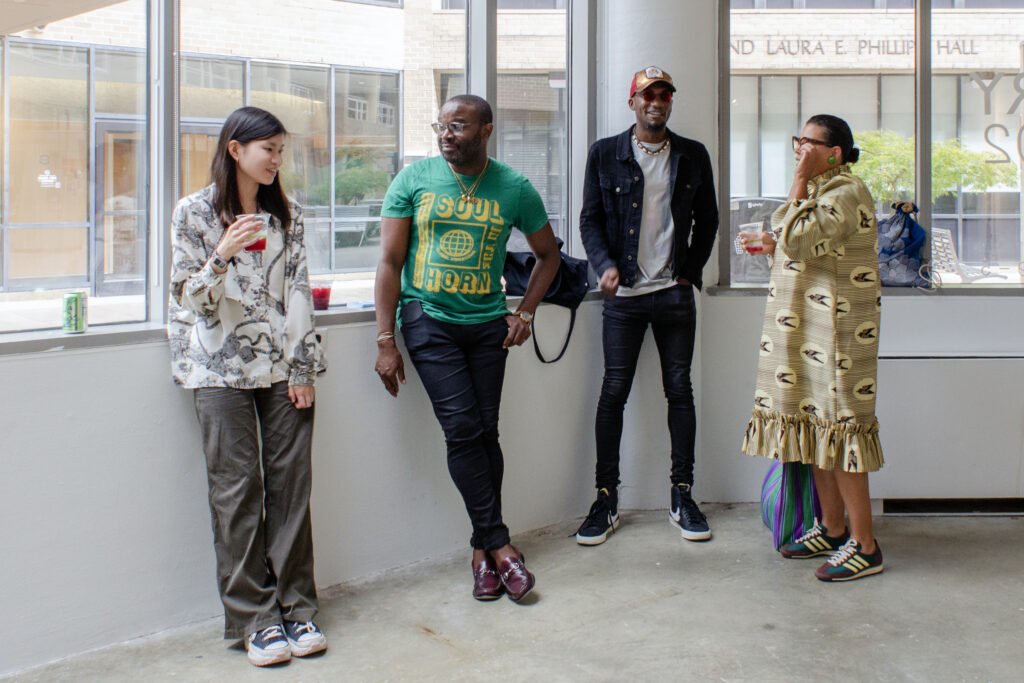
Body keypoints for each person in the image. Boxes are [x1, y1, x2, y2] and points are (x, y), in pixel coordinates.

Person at [374, 94, 560, 603]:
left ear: (486, 130)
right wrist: (386, 339)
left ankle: (482, 553)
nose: (446, 134)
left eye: (458, 126)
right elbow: (389, 262)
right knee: (462, 430)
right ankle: (501, 546)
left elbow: (548, 256)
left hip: (487, 326)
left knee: (485, 431)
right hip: (428, 320)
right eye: (441, 126)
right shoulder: (413, 180)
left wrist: (525, 312)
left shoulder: (514, 187)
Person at [168, 107, 328, 666]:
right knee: (236, 493)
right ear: (235, 150)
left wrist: (303, 368)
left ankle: (298, 609)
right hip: (217, 369)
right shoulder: (193, 212)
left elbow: (300, 291)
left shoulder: (288, 215)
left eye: (282, 151)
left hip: (281, 368)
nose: (277, 160)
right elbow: (189, 299)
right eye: (269, 150)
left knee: (291, 490)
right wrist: (222, 254)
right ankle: (255, 619)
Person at [575, 66, 719, 546]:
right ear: (632, 101)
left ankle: (683, 494)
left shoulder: (693, 155)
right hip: (624, 298)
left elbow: (709, 219)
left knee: (680, 391)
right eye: (647, 95)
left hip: (673, 294)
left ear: (670, 101)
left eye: (664, 95)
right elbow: (590, 220)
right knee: (613, 391)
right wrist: (604, 266)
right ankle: (605, 498)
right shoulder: (605, 153)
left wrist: (690, 271)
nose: (656, 102)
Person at [740, 114, 885, 582]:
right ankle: (833, 527)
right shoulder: (823, 193)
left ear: (834, 153)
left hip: (838, 339)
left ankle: (865, 546)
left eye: (808, 143)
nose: (799, 150)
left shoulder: (846, 192)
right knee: (816, 430)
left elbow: (800, 237)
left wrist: (799, 181)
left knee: (841, 435)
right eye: (797, 141)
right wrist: (773, 245)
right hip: (808, 337)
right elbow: (799, 243)